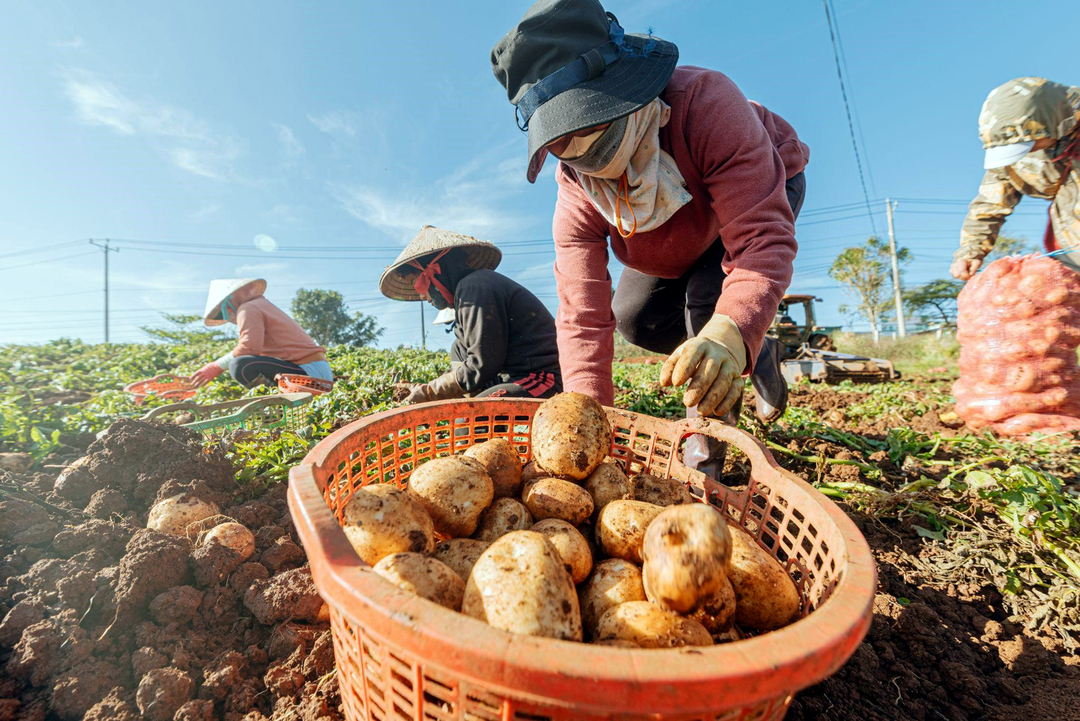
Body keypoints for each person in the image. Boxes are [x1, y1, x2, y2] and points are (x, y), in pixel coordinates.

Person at [491, 0, 808, 474]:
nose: (578, 150)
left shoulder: (706, 104)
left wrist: (729, 329)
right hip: (662, 238)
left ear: (624, 90)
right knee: (636, 319)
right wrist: (586, 422)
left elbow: (762, 240)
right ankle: (759, 349)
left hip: (749, 202)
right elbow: (582, 315)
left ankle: (705, 459)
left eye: (588, 123)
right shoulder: (578, 192)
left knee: (710, 307)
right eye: (560, 141)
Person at [379, 226, 562, 402]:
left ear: (435, 271)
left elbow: (481, 365)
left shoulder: (475, 288)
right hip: (508, 378)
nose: (423, 296)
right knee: (458, 349)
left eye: (417, 284)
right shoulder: (467, 292)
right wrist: (426, 387)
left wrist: (428, 392)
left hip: (541, 379)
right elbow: (470, 365)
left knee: (468, 420)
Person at [952, 77, 1080, 280]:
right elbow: (989, 205)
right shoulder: (1014, 158)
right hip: (1072, 255)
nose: (1024, 151)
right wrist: (970, 251)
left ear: (1054, 121)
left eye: (1029, 143)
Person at [189, 278, 333, 388]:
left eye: (223, 309)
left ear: (231, 297)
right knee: (244, 362)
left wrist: (215, 366)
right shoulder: (260, 305)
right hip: (319, 372)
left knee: (240, 366)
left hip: (310, 374)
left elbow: (249, 348)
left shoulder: (248, 308)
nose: (227, 313)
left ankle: (276, 403)